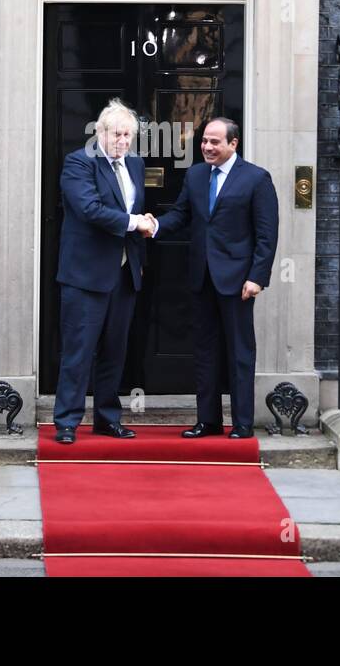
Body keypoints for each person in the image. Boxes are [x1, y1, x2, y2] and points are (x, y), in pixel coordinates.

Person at [146, 118, 278, 439]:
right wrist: (155, 226)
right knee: (204, 351)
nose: (207, 147)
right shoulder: (195, 174)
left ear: (233, 144)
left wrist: (257, 277)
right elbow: (181, 214)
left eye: (215, 142)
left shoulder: (256, 179)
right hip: (201, 278)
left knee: (239, 353)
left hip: (238, 281)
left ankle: (243, 422)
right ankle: (209, 420)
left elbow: (266, 234)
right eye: (204, 141)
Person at [52, 99, 154, 444]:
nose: (122, 141)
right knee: (79, 350)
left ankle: (107, 419)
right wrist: (134, 222)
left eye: (127, 135)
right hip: (85, 274)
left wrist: (146, 222)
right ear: (99, 133)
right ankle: (66, 421)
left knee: (115, 350)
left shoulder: (135, 165)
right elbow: (90, 209)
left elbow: (133, 210)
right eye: (116, 134)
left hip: (125, 273)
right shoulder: (79, 163)